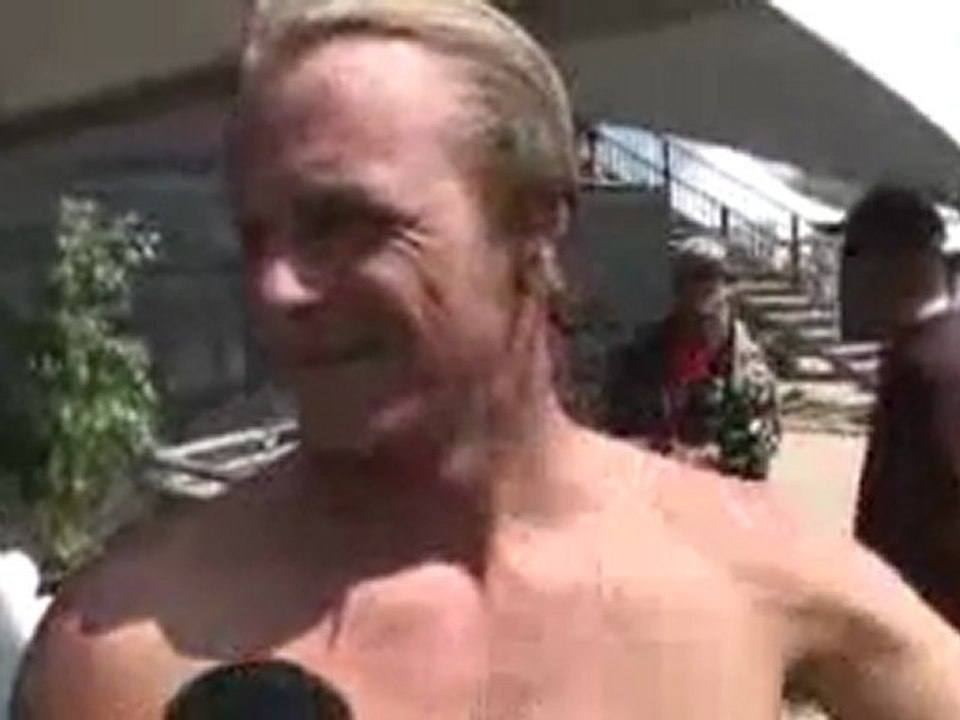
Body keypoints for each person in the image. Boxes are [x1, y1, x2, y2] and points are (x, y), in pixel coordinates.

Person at [13, 2, 960, 718]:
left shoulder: (751, 566)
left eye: (344, 222)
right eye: (256, 236)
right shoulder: (127, 649)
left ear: (535, 227)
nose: (275, 289)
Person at [846, 185, 960, 629]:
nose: (847, 278)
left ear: (900, 263)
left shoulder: (931, 370)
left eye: (855, 255)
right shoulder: (930, 351)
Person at [605, 236, 780, 479]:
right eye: (693, 277)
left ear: (726, 287)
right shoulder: (639, 358)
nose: (701, 289)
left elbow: (757, 455)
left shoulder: (750, 375)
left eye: (711, 277)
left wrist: (708, 459)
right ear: (677, 287)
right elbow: (615, 439)